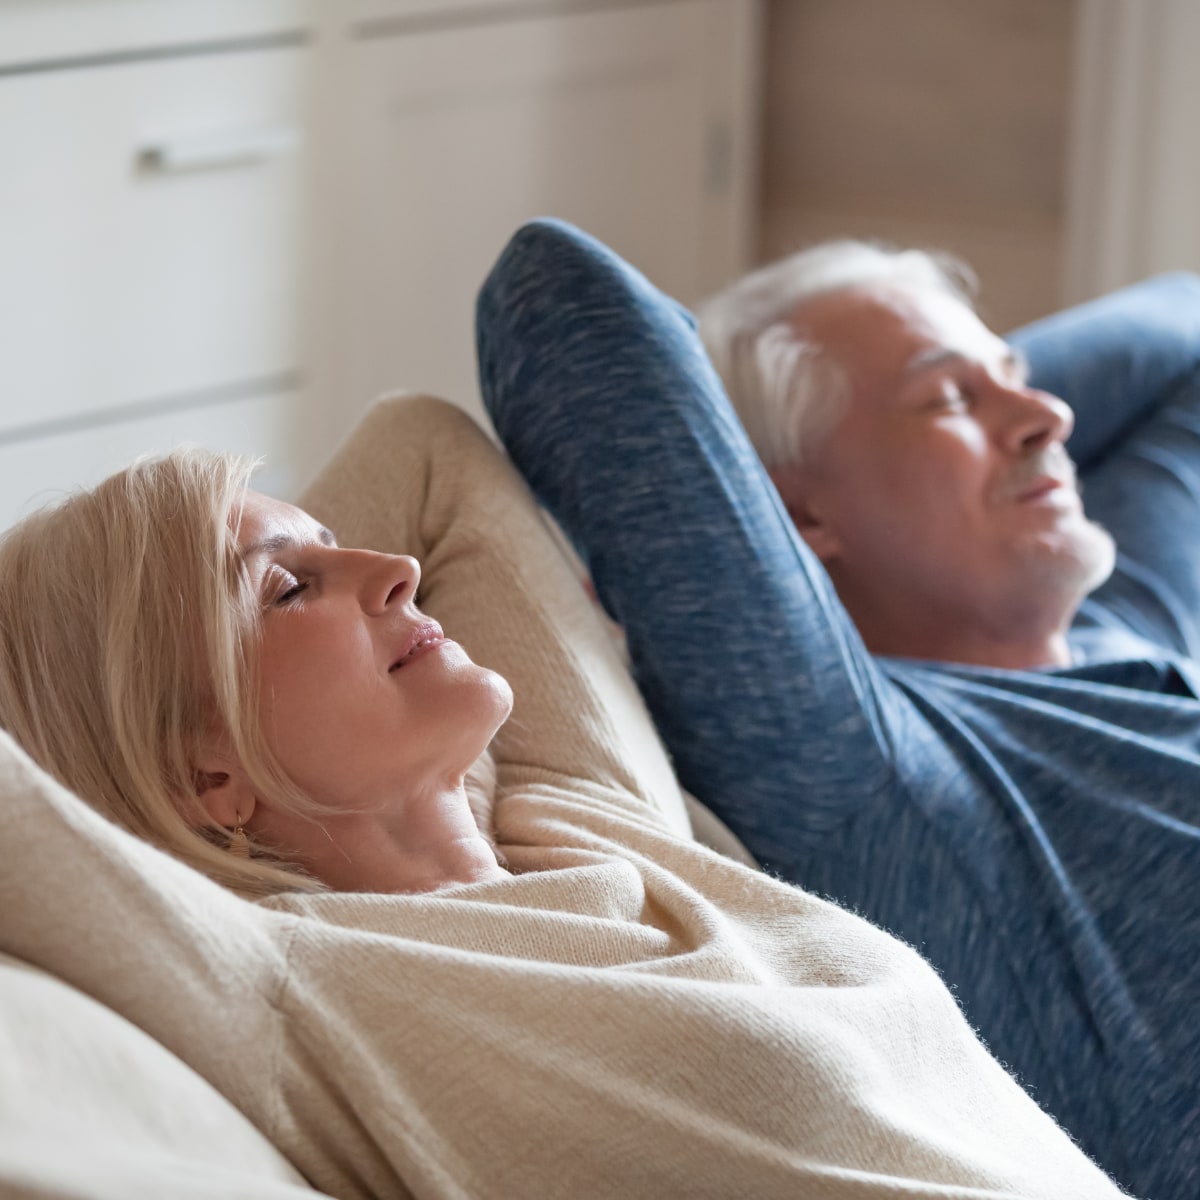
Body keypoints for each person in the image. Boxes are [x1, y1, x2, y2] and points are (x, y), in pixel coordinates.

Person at [0, 399, 1124, 1197]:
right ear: (206, 772)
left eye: (339, 549)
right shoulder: (289, 982)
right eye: (293, 589)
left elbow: (425, 448)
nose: (394, 568)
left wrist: (226, 578)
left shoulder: (578, 814)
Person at [476, 219, 1200, 1200]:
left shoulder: (1133, 620)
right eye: (952, 398)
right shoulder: (867, 770)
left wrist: (964, 384)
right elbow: (558, 302)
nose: (1050, 415)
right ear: (797, 517)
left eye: (1021, 370)